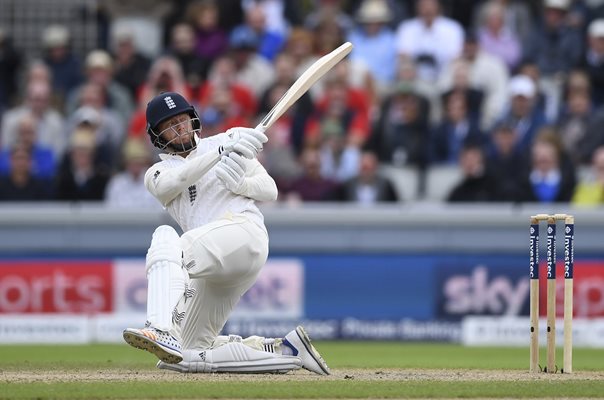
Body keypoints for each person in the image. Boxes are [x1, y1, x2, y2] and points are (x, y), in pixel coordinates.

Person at [122, 92, 330, 375]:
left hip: (245, 234)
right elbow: (179, 179)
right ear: (157, 136)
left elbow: (270, 189)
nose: (180, 128)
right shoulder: (157, 172)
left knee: (167, 240)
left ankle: (158, 327)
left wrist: (242, 183)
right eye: (170, 125)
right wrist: (220, 152)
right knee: (181, 356)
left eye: (182, 120)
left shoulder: (226, 141)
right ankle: (284, 350)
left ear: (193, 119)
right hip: (213, 266)